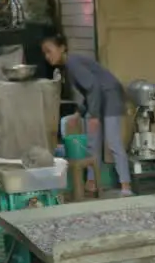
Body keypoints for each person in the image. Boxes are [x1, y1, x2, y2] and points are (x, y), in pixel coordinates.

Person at [40, 34, 134, 196]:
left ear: (62, 48)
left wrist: (95, 116)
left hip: (110, 97)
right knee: (93, 143)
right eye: (45, 53)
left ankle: (126, 186)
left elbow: (94, 87)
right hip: (99, 98)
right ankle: (92, 183)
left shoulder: (73, 63)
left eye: (49, 51)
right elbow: (89, 91)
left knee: (112, 141)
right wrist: (79, 113)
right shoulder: (69, 67)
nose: (48, 57)